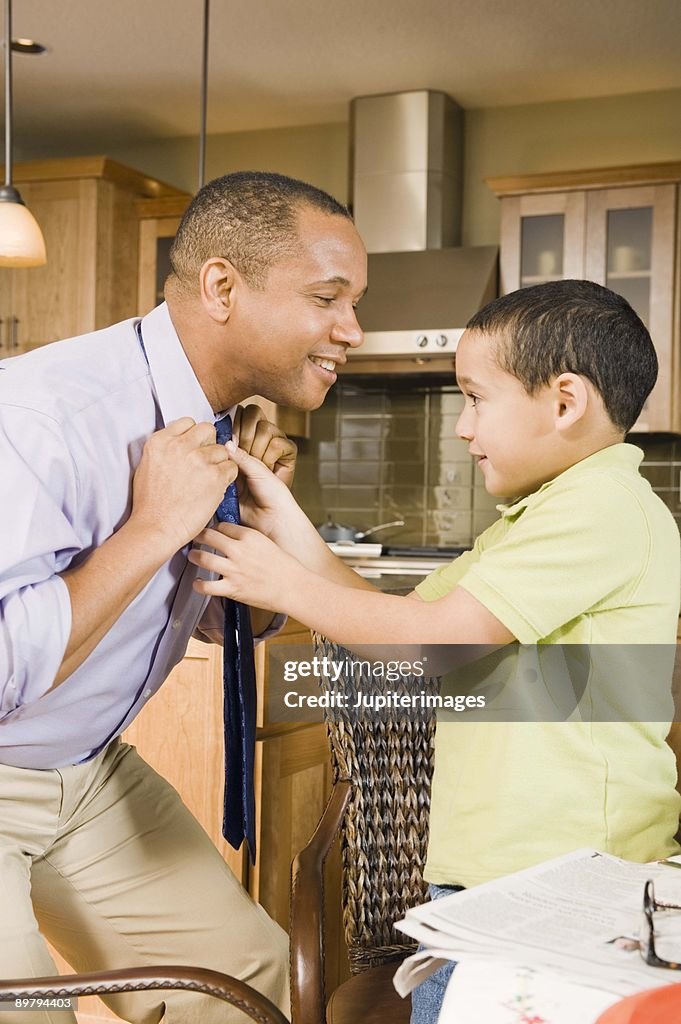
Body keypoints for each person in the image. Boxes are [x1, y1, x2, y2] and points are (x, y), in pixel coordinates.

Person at [188, 279, 681, 1024]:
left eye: (476, 399)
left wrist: (278, 584)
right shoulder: (539, 514)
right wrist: (277, 516)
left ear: (564, 401)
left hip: (564, 888)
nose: (461, 427)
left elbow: (429, 645)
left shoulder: (600, 508)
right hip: (502, 878)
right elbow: (394, 619)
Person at [0, 170, 367, 1024]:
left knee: (242, 977)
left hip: (85, 769)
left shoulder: (218, 423)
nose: (352, 329)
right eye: (327, 297)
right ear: (221, 287)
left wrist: (250, 544)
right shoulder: (41, 416)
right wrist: (151, 528)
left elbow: (211, 621)